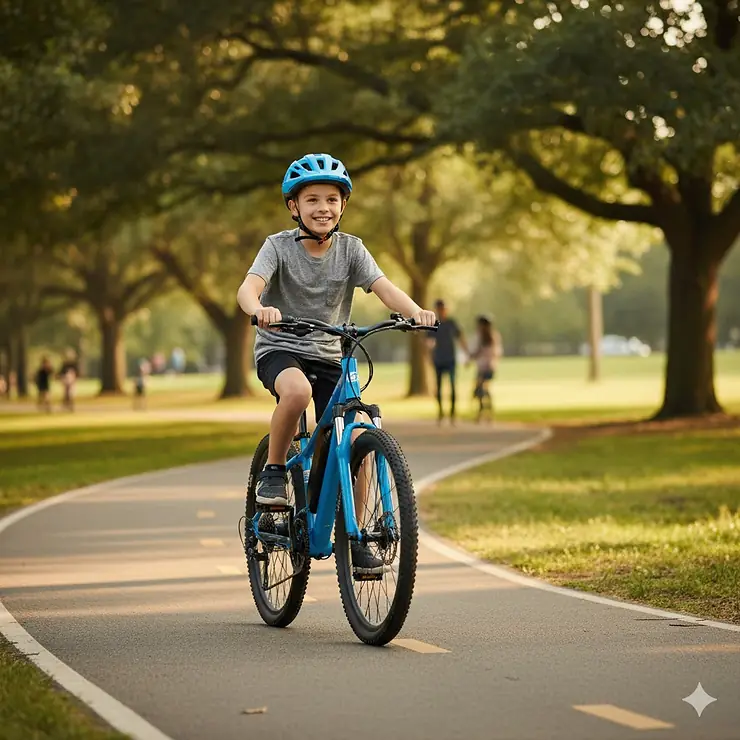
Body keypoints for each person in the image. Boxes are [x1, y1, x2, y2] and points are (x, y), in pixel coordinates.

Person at [237, 152, 436, 573]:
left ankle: (355, 537)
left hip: (331, 351)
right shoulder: (277, 247)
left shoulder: (352, 250)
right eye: (311, 200)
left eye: (331, 199)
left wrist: (416, 312)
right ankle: (274, 472)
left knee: (355, 437)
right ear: (294, 207)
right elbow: (248, 288)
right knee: (297, 392)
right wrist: (258, 307)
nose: (322, 208)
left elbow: (384, 289)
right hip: (280, 348)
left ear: (343, 205)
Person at [429, 298, 468, 425]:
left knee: (452, 386)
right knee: (439, 388)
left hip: (450, 359)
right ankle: (440, 413)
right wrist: (430, 354)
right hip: (439, 359)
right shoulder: (434, 324)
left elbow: (460, 337)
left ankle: (452, 414)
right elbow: (428, 342)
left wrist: (466, 354)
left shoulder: (452, 323)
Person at [470, 315, 502, 423]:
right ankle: (484, 413)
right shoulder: (481, 337)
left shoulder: (492, 337)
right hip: (482, 367)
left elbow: (494, 353)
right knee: (482, 391)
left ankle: (486, 413)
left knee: (483, 389)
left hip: (488, 367)